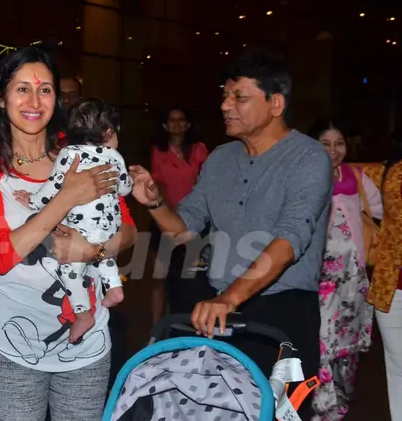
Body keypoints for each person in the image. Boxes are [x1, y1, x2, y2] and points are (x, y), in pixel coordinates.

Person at [129, 48, 332, 421]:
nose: (226, 105)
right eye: (224, 95)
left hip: (282, 314)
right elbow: (184, 227)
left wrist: (229, 299)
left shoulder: (308, 158)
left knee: (282, 413)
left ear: (275, 103)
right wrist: (155, 203)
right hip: (220, 311)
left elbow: (290, 239)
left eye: (239, 96)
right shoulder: (220, 158)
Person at [0, 46, 137, 421]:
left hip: (88, 348)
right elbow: (0, 254)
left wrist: (92, 251)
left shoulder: (80, 151)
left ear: (56, 98)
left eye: (44, 90)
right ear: (2, 95)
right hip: (15, 343)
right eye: (21, 88)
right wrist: (67, 197)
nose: (34, 100)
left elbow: (128, 232)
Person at [12, 97, 132, 343]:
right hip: (109, 226)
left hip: (81, 226)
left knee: (67, 268)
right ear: (109, 132)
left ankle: (83, 313)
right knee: (103, 256)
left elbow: (53, 189)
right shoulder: (114, 155)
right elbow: (125, 188)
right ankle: (114, 289)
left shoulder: (68, 154)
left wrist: (32, 201)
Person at [308, 119, 382, 421]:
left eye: (339, 143)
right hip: (320, 278)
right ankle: (320, 407)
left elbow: (382, 210)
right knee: (322, 341)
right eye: (325, 144)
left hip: (353, 279)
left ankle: (341, 401)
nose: (333, 150)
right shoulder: (305, 176)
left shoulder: (356, 176)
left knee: (347, 346)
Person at [149, 106, 209, 323]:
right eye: (171, 120)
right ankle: (156, 329)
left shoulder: (199, 150)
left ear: (188, 124)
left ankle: (189, 323)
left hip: (193, 222)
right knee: (159, 276)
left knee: (189, 278)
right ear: (165, 125)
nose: (176, 124)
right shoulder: (159, 150)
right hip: (165, 220)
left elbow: (206, 183)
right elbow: (158, 183)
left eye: (181, 119)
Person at [362, 129, 402, 421]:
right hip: (392, 286)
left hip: (390, 286)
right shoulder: (388, 172)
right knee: (398, 364)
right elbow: (338, 168)